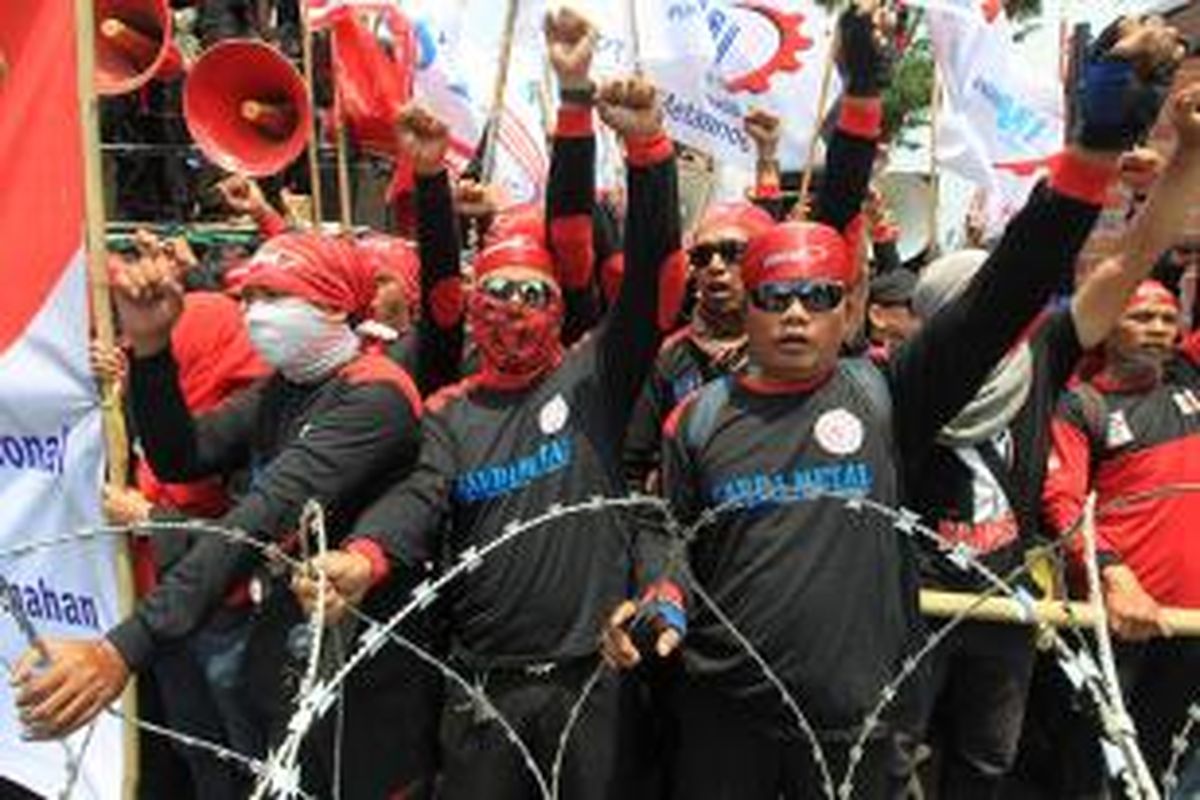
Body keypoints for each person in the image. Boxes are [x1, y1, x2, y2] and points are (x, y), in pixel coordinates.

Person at [601, 7, 1186, 799]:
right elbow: (666, 528)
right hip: (723, 714)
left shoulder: (884, 395)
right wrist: (660, 589)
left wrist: (1094, 150)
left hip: (858, 719)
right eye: (777, 295)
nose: (798, 311)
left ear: (847, 309)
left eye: (817, 293)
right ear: (750, 304)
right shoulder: (695, 418)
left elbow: (1003, 294)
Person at [292, 14, 681, 796]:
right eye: (497, 292)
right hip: (482, 693)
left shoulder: (592, 379)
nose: (514, 309)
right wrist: (362, 560)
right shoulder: (450, 413)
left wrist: (647, 149)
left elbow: (653, 280)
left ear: (556, 305)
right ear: (473, 304)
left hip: (590, 684)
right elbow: (419, 498)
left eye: (533, 294)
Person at [12, 231, 436, 798]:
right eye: (249, 298)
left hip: (363, 681)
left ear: (334, 305)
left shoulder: (373, 395)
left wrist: (123, 648)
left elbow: (260, 517)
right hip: (292, 661)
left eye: (272, 296)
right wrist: (153, 348)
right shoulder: (285, 388)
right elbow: (183, 455)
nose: (254, 314)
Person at [908, 72, 1198, 800]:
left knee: (986, 770)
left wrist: (1190, 156)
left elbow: (1134, 260)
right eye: (977, 321)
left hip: (1008, 610)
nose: (997, 336)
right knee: (889, 763)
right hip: (911, 609)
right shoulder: (904, 387)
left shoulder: (1043, 355)